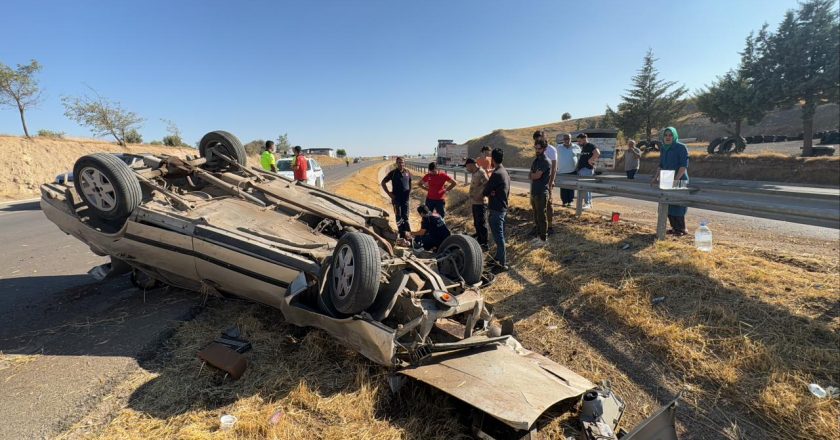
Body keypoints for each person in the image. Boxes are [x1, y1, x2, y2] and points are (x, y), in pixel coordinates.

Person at [651, 127, 689, 235]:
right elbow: (661, 165)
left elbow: (683, 166)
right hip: (666, 179)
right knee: (667, 204)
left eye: (670, 135)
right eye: (666, 135)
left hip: (679, 179)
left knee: (678, 205)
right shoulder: (663, 148)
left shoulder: (681, 147)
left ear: (674, 136)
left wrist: (675, 180)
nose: (668, 137)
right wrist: (655, 178)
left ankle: (681, 229)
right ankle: (674, 228)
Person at [483, 148, 510, 272]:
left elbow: (485, 191)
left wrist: (491, 192)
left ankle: (502, 264)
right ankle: (498, 258)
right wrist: (493, 192)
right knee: (500, 236)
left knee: (499, 239)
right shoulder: (505, 172)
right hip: (503, 208)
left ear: (492, 159)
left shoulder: (496, 174)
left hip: (496, 209)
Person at [533, 130, 558, 234]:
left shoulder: (551, 150)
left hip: (546, 182)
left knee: (548, 204)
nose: (537, 141)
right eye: (536, 140)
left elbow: (554, 168)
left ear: (544, 137)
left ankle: (550, 227)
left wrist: (551, 182)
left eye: (539, 139)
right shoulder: (539, 150)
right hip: (538, 183)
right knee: (536, 205)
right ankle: (539, 226)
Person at [380, 156, 412, 237]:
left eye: (402, 162)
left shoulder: (407, 172)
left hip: (405, 200)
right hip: (396, 199)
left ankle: (408, 233)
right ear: (396, 163)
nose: (401, 164)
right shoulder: (393, 173)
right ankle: (401, 233)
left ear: (404, 163)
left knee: (405, 216)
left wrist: (409, 192)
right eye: (399, 162)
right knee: (398, 216)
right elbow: (383, 182)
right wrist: (389, 193)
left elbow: (409, 183)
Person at [529, 139, 552, 245]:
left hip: (542, 192)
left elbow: (536, 175)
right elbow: (530, 175)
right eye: (536, 148)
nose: (537, 150)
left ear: (544, 149)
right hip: (534, 191)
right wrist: (533, 175)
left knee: (541, 217)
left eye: (540, 148)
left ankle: (543, 239)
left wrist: (533, 175)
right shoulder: (536, 160)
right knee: (536, 216)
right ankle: (539, 236)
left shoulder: (545, 161)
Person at [465, 158, 489, 250]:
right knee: (477, 223)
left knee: (481, 223)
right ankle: (479, 240)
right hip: (475, 202)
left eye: (467, 166)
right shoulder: (475, 173)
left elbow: (487, 186)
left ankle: (484, 244)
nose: (466, 169)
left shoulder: (481, 173)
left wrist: (480, 195)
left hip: (480, 203)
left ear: (470, 165)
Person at [575, 133, 600, 209]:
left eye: (579, 141)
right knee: (585, 187)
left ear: (584, 139)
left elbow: (597, 152)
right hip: (582, 170)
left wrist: (591, 160)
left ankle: (587, 203)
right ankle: (588, 203)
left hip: (587, 169)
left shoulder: (590, 146)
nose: (578, 143)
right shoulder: (584, 147)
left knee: (586, 187)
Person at [556, 133, 580, 207]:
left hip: (573, 171)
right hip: (562, 171)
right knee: (563, 187)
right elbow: (554, 158)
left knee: (571, 187)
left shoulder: (576, 147)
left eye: (568, 138)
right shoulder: (558, 148)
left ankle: (570, 201)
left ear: (571, 139)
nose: (567, 140)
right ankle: (564, 201)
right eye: (565, 139)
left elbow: (580, 157)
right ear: (563, 140)